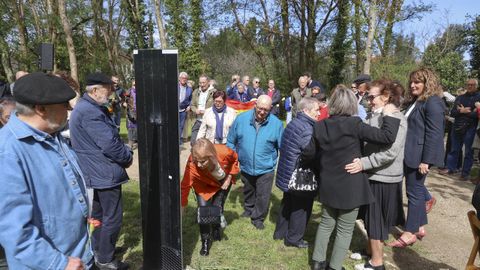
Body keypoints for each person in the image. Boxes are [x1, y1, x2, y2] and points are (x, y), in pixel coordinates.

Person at [0, 72, 93, 269]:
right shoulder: (7, 152)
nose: (69, 109)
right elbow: (14, 232)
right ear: (41, 109)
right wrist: (58, 263)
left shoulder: (52, 135)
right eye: (64, 105)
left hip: (79, 257)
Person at [303, 85, 401, 270]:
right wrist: (389, 114)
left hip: (329, 182)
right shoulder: (354, 124)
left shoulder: (320, 125)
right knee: (344, 229)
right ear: (351, 104)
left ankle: (317, 263)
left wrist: (323, 164)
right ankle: (334, 266)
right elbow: (386, 136)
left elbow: (309, 154)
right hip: (350, 184)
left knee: (325, 224)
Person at [70, 72, 133, 270]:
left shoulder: (86, 107)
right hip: (104, 173)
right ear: (95, 90)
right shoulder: (90, 111)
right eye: (108, 87)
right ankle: (105, 259)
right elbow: (110, 144)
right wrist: (127, 156)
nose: (111, 91)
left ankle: (99, 249)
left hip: (96, 171)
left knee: (98, 215)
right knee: (112, 217)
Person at [344, 80, 407, 270]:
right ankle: (370, 252)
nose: (368, 101)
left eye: (372, 97)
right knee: (370, 218)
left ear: (386, 96)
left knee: (376, 221)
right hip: (373, 175)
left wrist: (363, 163)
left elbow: (390, 153)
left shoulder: (397, 119)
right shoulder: (376, 115)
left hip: (383, 178)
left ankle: (377, 263)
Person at [388, 68, 445, 248]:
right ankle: (419, 227)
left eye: (417, 82)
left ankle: (409, 232)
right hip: (410, 154)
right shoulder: (417, 101)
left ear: (427, 83)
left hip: (419, 157)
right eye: (411, 81)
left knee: (414, 193)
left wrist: (426, 160)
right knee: (416, 191)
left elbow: (435, 134)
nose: (412, 85)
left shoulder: (433, 102)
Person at [227, 95, 283, 230]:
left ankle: (258, 217)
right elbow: (230, 141)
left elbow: (282, 146)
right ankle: (249, 208)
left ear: (270, 109)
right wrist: (234, 158)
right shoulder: (241, 119)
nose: (262, 112)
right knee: (248, 189)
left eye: (266, 110)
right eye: (260, 108)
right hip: (246, 165)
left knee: (263, 195)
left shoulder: (276, 124)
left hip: (266, 167)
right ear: (255, 105)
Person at [274, 97, 320, 248]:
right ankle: (293, 239)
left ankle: (280, 232)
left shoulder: (294, 122)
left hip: (287, 172)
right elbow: (309, 153)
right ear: (306, 110)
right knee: (301, 207)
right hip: (299, 175)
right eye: (316, 110)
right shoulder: (307, 128)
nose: (319, 113)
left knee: (287, 203)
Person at [181, 138, 240, 256]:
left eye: (203, 161)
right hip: (203, 186)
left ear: (211, 156)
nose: (199, 164)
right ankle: (206, 241)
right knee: (204, 212)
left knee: (217, 207)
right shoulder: (193, 163)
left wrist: (229, 178)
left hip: (222, 183)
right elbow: (185, 186)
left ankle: (216, 228)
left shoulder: (224, 152)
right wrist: (181, 208)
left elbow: (235, 160)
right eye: (197, 161)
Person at [440, 79, 480, 180]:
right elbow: (453, 112)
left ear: (476, 86)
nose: (470, 86)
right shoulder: (460, 97)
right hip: (457, 126)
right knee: (454, 149)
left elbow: (477, 114)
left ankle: (465, 173)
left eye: (472, 85)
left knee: (468, 151)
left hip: (471, 127)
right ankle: (450, 168)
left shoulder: (479, 97)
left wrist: (464, 111)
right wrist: (463, 111)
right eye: (468, 84)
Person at [190, 74, 215, 146]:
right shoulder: (195, 92)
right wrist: (195, 110)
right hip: (197, 120)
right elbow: (192, 105)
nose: (202, 84)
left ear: (208, 82)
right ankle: (195, 156)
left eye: (203, 83)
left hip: (209, 121)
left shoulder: (213, 92)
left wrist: (206, 112)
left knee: (207, 144)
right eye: (200, 83)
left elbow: (217, 106)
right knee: (193, 142)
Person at [179, 72, 193, 144]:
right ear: (179, 78)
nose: (184, 79)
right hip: (174, 110)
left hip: (183, 110)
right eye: (182, 78)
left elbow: (191, 99)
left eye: (185, 78)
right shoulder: (175, 86)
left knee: (181, 126)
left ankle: (178, 140)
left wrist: (189, 106)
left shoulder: (189, 89)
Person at [126, 80, 137, 149]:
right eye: (134, 85)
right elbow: (125, 100)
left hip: (139, 111)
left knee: (137, 127)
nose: (135, 87)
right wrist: (125, 104)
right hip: (131, 111)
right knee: (130, 127)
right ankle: (130, 143)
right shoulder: (128, 91)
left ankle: (136, 142)